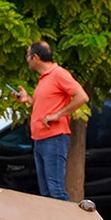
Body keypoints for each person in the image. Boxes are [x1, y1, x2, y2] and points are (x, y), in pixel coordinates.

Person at [18, 40, 89, 201]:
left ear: (35, 57)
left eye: (27, 56)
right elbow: (44, 104)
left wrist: (58, 115)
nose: (26, 60)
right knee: (46, 194)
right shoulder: (44, 78)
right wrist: (28, 99)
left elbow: (82, 96)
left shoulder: (59, 74)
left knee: (55, 191)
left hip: (54, 139)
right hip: (40, 139)